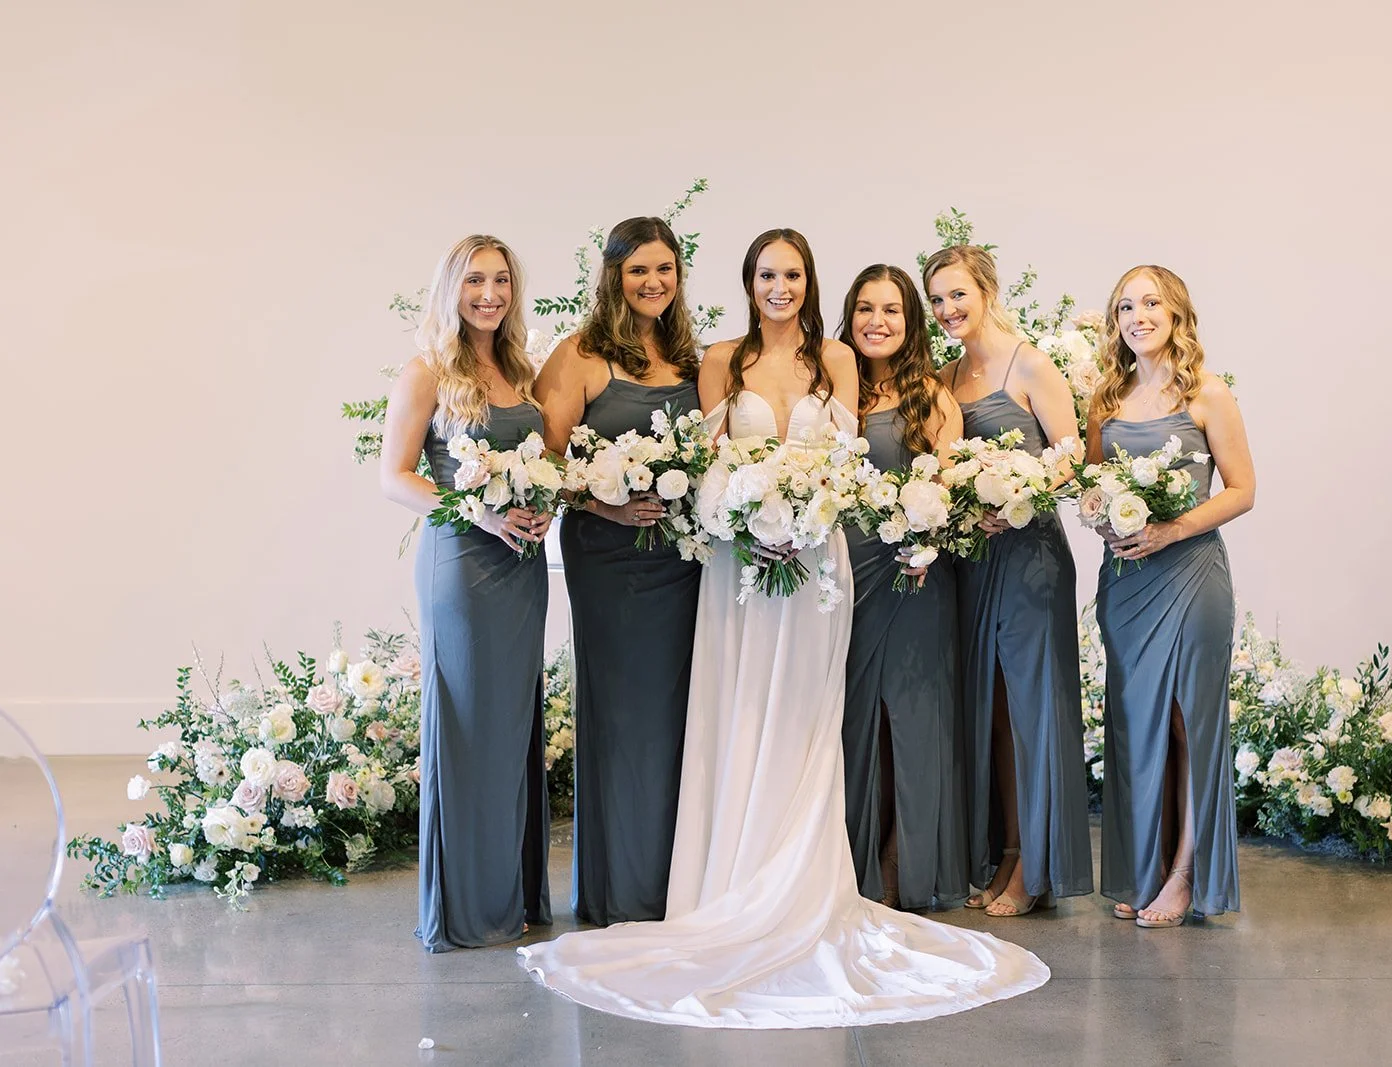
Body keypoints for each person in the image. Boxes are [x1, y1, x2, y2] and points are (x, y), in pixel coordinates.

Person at [517, 230, 1048, 1028]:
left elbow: (848, 461)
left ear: (808, 282)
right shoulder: (718, 359)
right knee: (738, 713)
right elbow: (705, 467)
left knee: (806, 720)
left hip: (817, 565)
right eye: (767, 273)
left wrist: (805, 517)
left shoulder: (836, 359)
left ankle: (803, 881)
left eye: (793, 274)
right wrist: (745, 518)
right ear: (749, 280)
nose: (781, 286)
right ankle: (731, 880)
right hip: (738, 566)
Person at [378, 234, 553, 951]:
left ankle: (511, 893)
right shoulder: (426, 371)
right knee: (470, 725)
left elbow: (542, 460)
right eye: (475, 280)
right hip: (463, 565)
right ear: (450, 289)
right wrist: (475, 511)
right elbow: (394, 476)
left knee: (510, 726)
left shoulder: (520, 369)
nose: (489, 294)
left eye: (501, 280)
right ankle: (470, 907)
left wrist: (546, 504)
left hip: (522, 566)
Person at [534, 217, 702, 926]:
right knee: (623, 712)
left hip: (682, 560)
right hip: (608, 560)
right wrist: (606, 505)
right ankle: (617, 889)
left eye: (664, 268)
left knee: (679, 714)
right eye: (638, 270)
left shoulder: (688, 356)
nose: (653, 282)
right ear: (613, 276)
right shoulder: (580, 354)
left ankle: (675, 885)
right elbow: (542, 462)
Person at [925, 244, 1092, 918]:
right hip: (973, 560)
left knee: (1030, 712)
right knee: (990, 711)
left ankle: (1035, 866)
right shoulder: (943, 376)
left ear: (987, 290)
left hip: (1029, 560)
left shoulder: (1030, 364)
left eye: (957, 294)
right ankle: (1006, 852)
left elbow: (1072, 456)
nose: (948, 309)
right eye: (937, 299)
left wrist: (1017, 496)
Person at [1088, 265, 1254, 928]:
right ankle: (1146, 867)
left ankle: (1185, 874)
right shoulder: (1106, 398)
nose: (1138, 316)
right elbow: (1093, 488)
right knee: (1137, 723)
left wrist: (1171, 529)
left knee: (1188, 723)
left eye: (1151, 303)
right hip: (1127, 583)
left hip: (1190, 577)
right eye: (1126, 307)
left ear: (1177, 312)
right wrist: (1104, 519)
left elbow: (1242, 489)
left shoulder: (1208, 393)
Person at [836, 264, 968, 911]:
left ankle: (901, 861)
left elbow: (949, 485)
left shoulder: (932, 397)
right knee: (852, 721)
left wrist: (925, 541)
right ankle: (847, 862)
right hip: (845, 577)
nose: (877, 321)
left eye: (892, 310)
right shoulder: (833, 389)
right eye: (866, 308)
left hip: (913, 573)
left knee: (910, 719)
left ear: (911, 321)